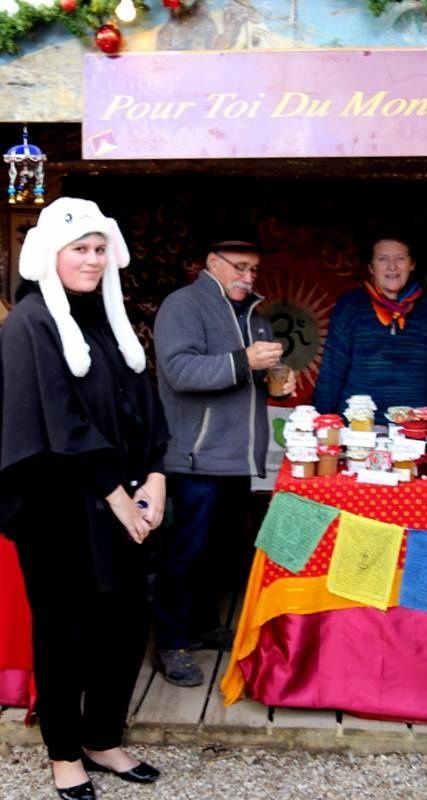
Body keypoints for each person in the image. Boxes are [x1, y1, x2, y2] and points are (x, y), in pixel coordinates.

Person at [0, 198, 169, 800]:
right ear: (52, 254)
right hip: (58, 509)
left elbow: (143, 406)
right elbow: (57, 420)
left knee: (123, 624)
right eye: (81, 249)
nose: (93, 260)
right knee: (66, 629)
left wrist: (155, 477)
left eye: (100, 249)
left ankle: (103, 737)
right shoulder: (30, 324)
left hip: (124, 501)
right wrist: (118, 498)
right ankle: (64, 752)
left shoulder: (108, 319)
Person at [153, 224, 296, 687]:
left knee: (219, 550)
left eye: (254, 269)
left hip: (237, 455)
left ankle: (201, 625)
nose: (249, 276)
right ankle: (172, 642)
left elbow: (248, 376)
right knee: (185, 552)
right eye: (240, 267)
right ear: (211, 262)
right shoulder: (184, 305)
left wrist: (280, 379)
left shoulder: (254, 314)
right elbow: (179, 371)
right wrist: (244, 362)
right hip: (195, 455)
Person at [313, 232, 427, 423]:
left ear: (411, 264)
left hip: (411, 427)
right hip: (357, 426)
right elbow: (332, 370)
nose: (392, 267)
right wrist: (321, 423)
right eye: (383, 259)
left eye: (400, 259)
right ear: (371, 267)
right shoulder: (351, 306)